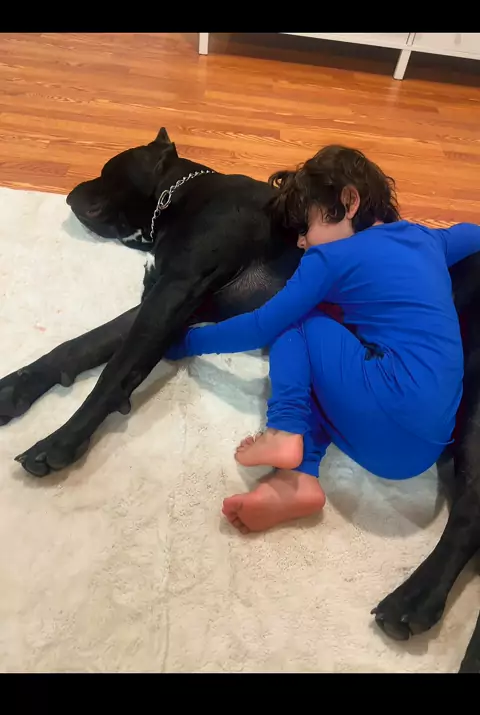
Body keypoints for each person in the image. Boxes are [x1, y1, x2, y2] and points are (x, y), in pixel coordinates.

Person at [166, 146, 480, 535]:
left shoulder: (329, 259)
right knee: (324, 362)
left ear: (348, 202)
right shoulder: (426, 239)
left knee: (298, 322)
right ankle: (297, 479)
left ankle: (283, 430)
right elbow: (472, 234)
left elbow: (260, 326)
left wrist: (186, 341)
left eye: (305, 226)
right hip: (423, 451)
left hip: (390, 410)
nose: (301, 242)